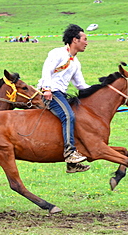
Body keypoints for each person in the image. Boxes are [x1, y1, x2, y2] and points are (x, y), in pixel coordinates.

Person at [38, 24, 91, 173]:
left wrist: (100, 90)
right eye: (84, 39)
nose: (86, 43)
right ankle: (70, 153)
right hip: (51, 92)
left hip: (61, 93)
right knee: (68, 115)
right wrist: (47, 88)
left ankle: (72, 165)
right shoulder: (58, 53)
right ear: (75, 40)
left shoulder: (75, 62)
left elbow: (81, 85)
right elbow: (46, 70)